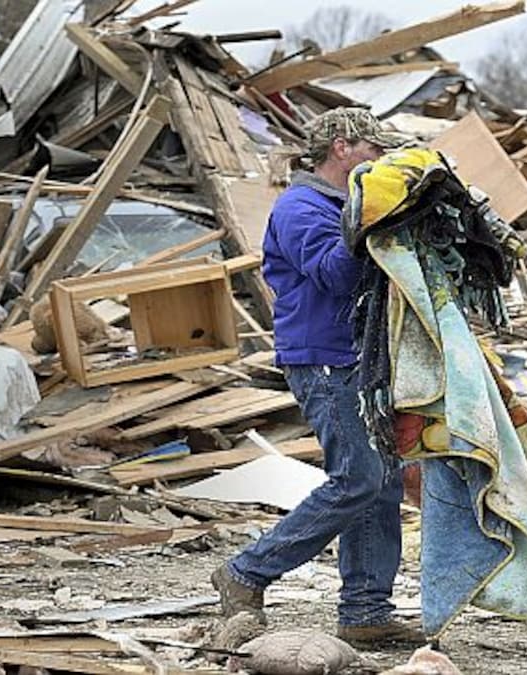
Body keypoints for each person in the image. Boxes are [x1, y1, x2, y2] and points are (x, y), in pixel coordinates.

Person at [210, 108, 423, 647]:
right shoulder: (302, 207)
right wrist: (368, 219)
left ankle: (365, 611)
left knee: (381, 484)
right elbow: (333, 273)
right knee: (359, 478)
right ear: (344, 147)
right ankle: (246, 572)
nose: (382, 161)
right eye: (375, 150)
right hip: (324, 359)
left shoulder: (338, 203)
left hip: (362, 359)